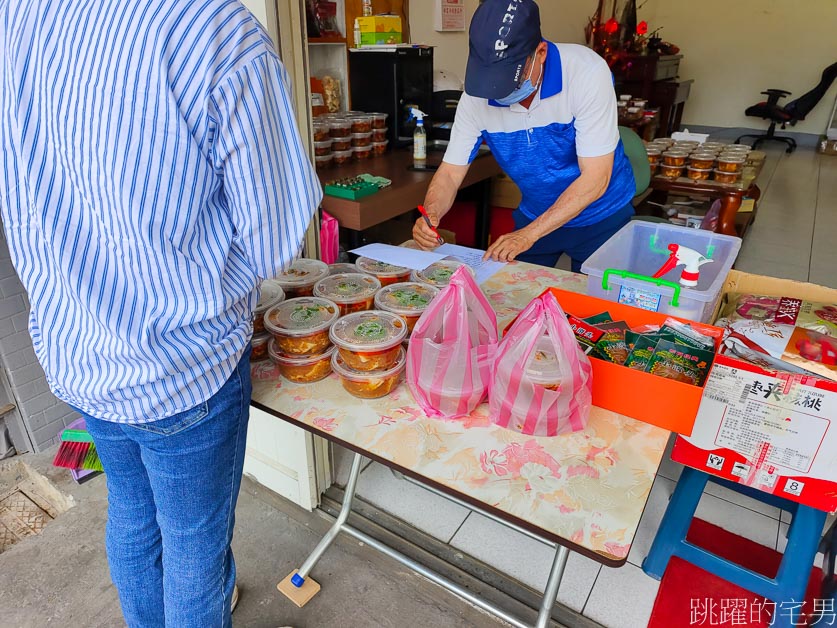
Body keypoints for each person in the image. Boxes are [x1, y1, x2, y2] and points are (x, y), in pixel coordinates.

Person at [0, 2, 321, 627]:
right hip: (181, 362)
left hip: (78, 348)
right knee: (195, 554)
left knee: (133, 514)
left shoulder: (19, 13)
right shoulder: (210, 27)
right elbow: (276, 234)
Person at [413, 0, 636, 272]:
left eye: (510, 81)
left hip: (602, 215)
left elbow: (596, 177)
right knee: (508, 295)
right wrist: (431, 214)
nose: (500, 93)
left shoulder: (586, 72)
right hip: (536, 213)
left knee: (598, 307)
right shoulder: (476, 97)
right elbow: (449, 174)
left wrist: (528, 235)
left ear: (540, 53)